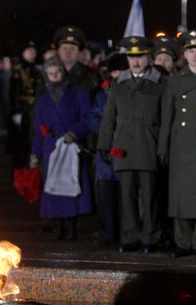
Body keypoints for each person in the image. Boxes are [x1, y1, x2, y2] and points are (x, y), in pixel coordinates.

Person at [97, 36, 166, 254]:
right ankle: (130, 236)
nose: (135, 61)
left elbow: (165, 120)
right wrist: (104, 145)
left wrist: (163, 147)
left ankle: (151, 237)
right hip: (125, 145)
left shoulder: (160, 83)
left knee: (149, 197)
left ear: (148, 57)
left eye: (140, 57)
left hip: (148, 142)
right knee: (127, 197)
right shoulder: (119, 84)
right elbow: (109, 118)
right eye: (131, 57)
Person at [158, 30, 196, 258]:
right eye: (191, 51)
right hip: (180, 144)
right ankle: (182, 241)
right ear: (184, 54)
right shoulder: (174, 81)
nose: (195, 55)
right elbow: (167, 117)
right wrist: (163, 146)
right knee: (180, 196)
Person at [30, 57, 92, 240]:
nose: (54, 76)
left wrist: (75, 133)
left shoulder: (78, 94)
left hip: (71, 145)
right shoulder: (42, 101)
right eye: (50, 73)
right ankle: (58, 226)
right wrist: (35, 153)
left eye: (57, 72)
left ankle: (72, 226)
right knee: (54, 187)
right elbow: (38, 130)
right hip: (52, 148)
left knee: (72, 183)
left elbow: (87, 118)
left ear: (63, 73)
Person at [88, 53, 128, 243]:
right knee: (105, 196)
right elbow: (94, 118)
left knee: (125, 196)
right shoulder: (103, 94)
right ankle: (108, 231)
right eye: (115, 71)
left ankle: (124, 232)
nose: (118, 74)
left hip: (125, 151)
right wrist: (108, 131)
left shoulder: (130, 91)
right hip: (106, 153)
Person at [8, 41, 42, 171]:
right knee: (20, 142)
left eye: (34, 51)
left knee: (30, 140)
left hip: (33, 109)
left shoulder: (36, 70)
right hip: (22, 108)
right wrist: (16, 110)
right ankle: (18, 171)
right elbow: (14, 92)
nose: (32, 54)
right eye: (29, 51)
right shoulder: (18, 70)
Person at [53, 26, 96, 94]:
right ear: (58, 51)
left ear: (78, 53)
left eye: (72, 48)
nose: (68, 52)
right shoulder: (48, 74)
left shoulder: (88, 76)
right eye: (64, 48)